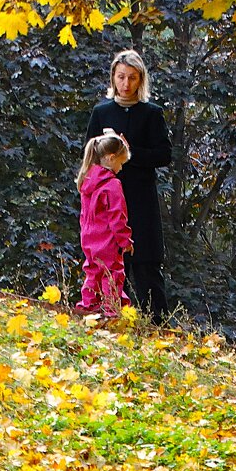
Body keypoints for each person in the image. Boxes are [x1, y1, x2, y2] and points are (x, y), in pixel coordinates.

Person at [86, 49, 172, 322]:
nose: (126, 83)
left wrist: (129, 152)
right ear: (113, 77)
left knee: (147, 265)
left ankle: (157, 326)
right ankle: (105, 319)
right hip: (106, 200)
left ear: (141, 80)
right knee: (105, 263)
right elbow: (89, 156)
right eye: (121, 77)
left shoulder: (152, 113)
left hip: (141, 199)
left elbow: (164, 155)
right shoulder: (101, 112)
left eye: (132, 78)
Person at [75, 133, 133, 316]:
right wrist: (125, 241)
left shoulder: (87, 181)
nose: (121, 168)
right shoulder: (112, 184)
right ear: (111, 158)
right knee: (112, 273)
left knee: (93, 270)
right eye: (121, 163)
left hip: (89, 238)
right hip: (107, 240)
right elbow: (117, 217)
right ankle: (111, 310)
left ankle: (88, 306)